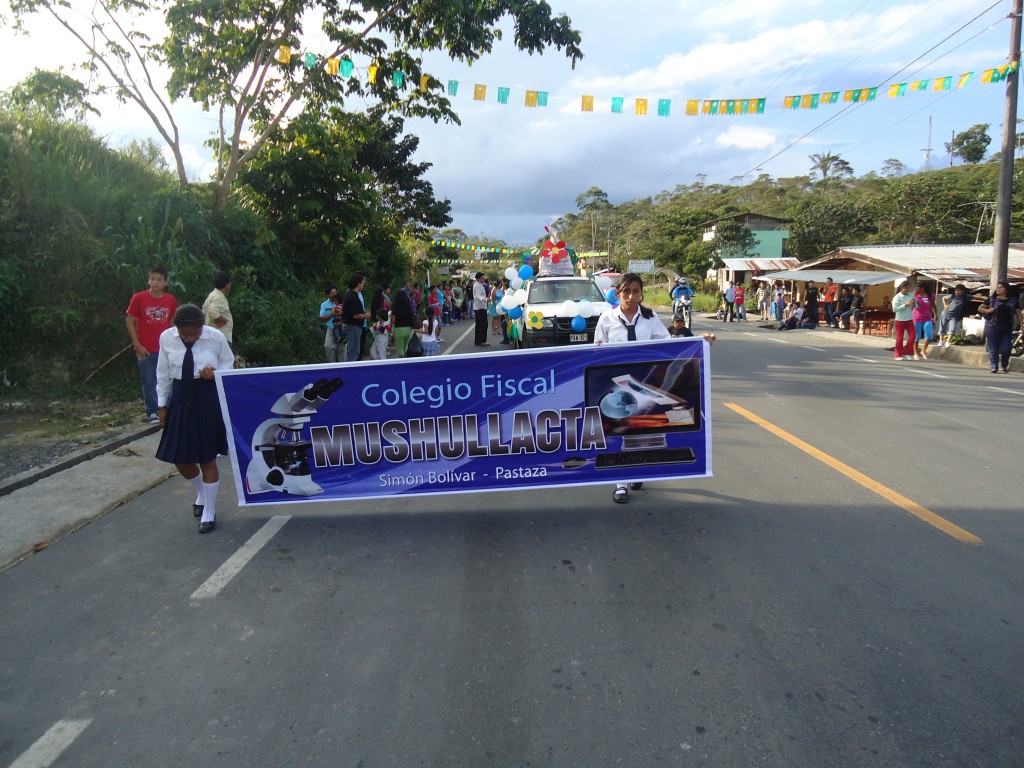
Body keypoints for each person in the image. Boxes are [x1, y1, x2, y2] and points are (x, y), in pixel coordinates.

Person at [155, 304, 234, 534]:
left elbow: (228, 362)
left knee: (207, 457)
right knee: (180, 457)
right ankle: (201, 491)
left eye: (194, 334)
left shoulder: (215, 337)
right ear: (176, 329)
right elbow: (162, 373)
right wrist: (162, 405)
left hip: (206, 396)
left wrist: (216, 372)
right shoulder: (166, 339)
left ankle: (209, 510)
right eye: (185, 335)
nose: (190, 338)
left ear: (202, 326)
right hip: (180, 398)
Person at [593, 273, 668, 505]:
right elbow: (597, 349)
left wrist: (701, 342)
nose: (631, 296)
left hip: (643, 383)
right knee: (619, 429)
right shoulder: (607, 318)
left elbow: (666, 343)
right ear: (618, 293)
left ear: (641, 293)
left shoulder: (650, 317)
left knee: (640, 430)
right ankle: (621, 483)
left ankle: (636, 471)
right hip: (614, 384)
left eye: (636, 291)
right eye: (626, 291)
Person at [126, 265, 177, 423]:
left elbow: (173, 323)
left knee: (168, 380)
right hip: (146, 349)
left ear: (165, 282)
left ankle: (167, 409)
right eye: (152, 279)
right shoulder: (138, 298)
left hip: (166, 349)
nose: (155, 282)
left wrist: (176, 345)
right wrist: (137, 345)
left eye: (159, 279)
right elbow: (130, 321)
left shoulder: (170, 299)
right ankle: (152, 411)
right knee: (148, 381)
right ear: (148, 280)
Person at [978, 281, 1022, 373]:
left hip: (1007, 327)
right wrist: (988, 310)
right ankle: (994, 366)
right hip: (992, 326)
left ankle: (1004, 365)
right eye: (997, 287)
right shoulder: (992, 299)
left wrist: (1022, 325)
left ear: (1006, 289)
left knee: (1007, 347)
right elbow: (980, 308)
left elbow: (1018, 313)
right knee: (994, 347)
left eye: (1001, 287)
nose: (998, 289)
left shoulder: (1013, 300)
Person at [340, 273, 371, 362]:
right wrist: (367, 315)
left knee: (353, 350)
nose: (363, 285)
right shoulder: (353, 297)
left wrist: (364, 312)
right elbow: (356, 315)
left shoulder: (350, 294)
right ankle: (350, 371)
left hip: (351, 326)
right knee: (353, 352)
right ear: (358, 284)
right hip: (353, 327)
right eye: (363, 282)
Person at [202, 271, 233, 347]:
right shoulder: (218, 297)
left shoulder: (212, 295)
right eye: (230, 283)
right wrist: (224, 320)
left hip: (213, 336)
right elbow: (212, 312)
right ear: (226, 284)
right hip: (220, 337)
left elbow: (203, 312)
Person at [891, 281, 917, 360]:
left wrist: (913, 304)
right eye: (905, 288)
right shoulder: (897, 297)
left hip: (909, 318)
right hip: (900, 319)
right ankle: (898, 354)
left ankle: (907, 352)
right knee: (900, 337)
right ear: (902, 288)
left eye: (908, 288)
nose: (907, 289)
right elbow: (894, 309)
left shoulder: (911, 295)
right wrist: (905, 305)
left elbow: (916, 305)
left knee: (913, 336)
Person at [912, 283, 937, 359]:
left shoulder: (930, 296)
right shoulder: (915, 296)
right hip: (917, 318)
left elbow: (933, 305)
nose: (917, 289)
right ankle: (916, 352)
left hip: (927, 318)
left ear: (923, 288)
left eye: (918, 287)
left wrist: (935, 314)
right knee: (917, 336)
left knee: (929, 334)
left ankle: (923, 350)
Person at [319, 286, 343, 363]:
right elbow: (322, 318)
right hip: (331, 328)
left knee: (343, 349)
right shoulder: (324, 305)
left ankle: (343, 367)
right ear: (328, 295)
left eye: (335, 292)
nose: (334, 294)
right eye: (332, 293)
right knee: (328, 346)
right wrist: (331, 315)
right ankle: (332, 365)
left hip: (342, 327)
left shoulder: (342, 302)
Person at [390, 289, 416, 357]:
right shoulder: (409, 306)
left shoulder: (395, 307)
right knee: (405, 346)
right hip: (408, 329)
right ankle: (407, 360)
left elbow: (393, 320)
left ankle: (402, 361)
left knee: (400, 347)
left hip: (399, 329)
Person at [473, 272, 490, 346]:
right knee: (482, 325)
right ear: (478, 279)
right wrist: (485, 299)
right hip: (480, 308)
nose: (484, 279)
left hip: (481, 307)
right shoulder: (477, 286)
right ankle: (481, 340)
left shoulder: (480, 285)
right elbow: (478, 295)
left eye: (484, 278)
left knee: (480, 325)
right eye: (482, 278)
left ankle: (478, 340)